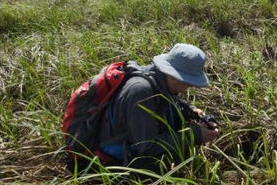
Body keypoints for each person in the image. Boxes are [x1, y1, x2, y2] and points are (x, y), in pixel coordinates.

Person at [93, 43, 220, 175]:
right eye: (188, 82)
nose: (189, 87)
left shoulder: (158, 79)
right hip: (117, 164)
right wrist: (195, 135)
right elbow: (148, 148)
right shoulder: (141, 92)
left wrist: (192, 111)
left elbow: (171, 100)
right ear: (173, 75)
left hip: (133, 146)